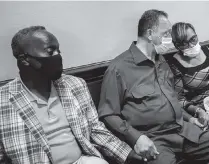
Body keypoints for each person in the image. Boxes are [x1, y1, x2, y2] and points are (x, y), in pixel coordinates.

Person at [98, 9, 209, 164]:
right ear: (150, 34)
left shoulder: (162, 61)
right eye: (166, 34)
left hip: (182, 129)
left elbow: (173, 99)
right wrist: (136, 138)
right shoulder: (118, 68)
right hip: (154, 139)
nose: (170, 40)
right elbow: (108, 114)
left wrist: (191, 118)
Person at [0, 26, 140, 164]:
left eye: (58, 50)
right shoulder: (4, 101)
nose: (58, 56)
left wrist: (126, 154)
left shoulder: (75, 85)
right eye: (50, 51)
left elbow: (95, 129)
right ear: (24, 59)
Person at [164, 22, 209, 129]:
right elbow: (180, 100)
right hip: (203, 106)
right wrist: (198, 111)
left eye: (193, 39)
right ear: (177, 45)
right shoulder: (175, 65)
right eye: (184, 43)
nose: (191, 45)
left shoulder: (206, 50)